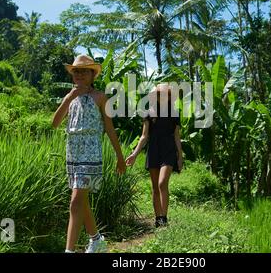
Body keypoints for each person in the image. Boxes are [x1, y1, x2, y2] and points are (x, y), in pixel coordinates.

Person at [52, 54, 126, 253]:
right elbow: (55, 123)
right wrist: (69, 98)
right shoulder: (70, 97)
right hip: (73, 152)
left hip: (91, 153)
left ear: (93, 75)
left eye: (84, 71)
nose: (79, 74)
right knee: (81, 201)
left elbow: (110, 129)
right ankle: (96, 240)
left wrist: (120, 157)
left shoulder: (101, 97)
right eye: (76, 71)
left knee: (75, 202)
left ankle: (69, 250)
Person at [125, 84, 183, 228]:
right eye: (158, 95)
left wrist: (180, 156)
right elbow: (144, 137)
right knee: (155, 187)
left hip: (169, 149)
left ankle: (164, 217)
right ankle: (159, 219)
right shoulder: (149, 112)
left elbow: (177, 136)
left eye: (163, 95)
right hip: (154, 149)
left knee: (162, 183)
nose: (160, 97)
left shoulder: (174, 112)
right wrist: (134, 154)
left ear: (169, 97)